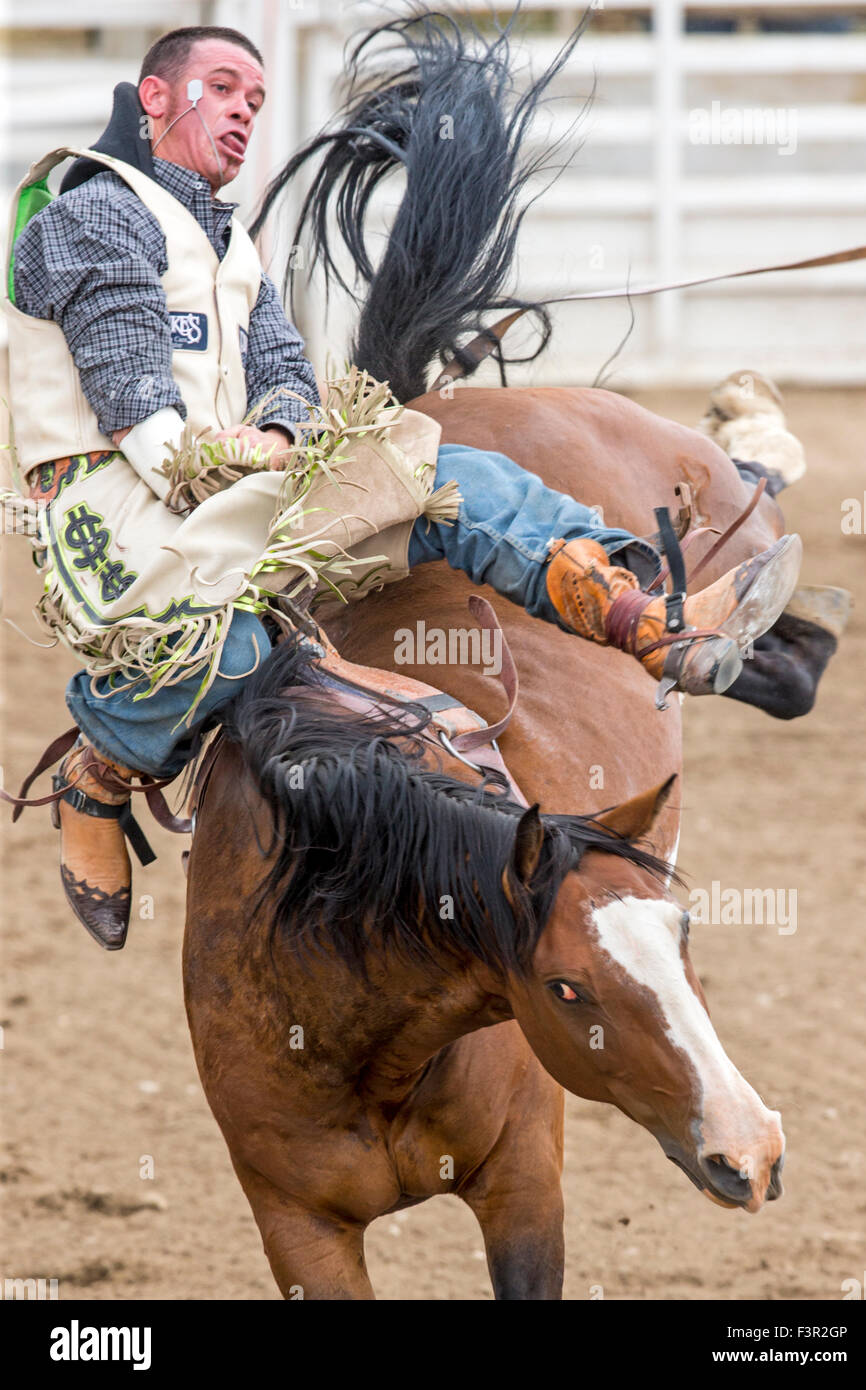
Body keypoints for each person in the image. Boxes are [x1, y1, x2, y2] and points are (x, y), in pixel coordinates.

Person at [4, 25, 800, 951]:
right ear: (154, 97)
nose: (240, 114)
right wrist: (241, 456)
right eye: (221, 89)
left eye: (254, 102)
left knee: (444, 474)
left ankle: (650, 624)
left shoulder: (230, 244)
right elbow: (130, 397)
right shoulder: (90, 214)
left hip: (232, 488)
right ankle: (97, 770)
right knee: (236, 650)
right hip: (115, 508)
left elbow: (284, 374)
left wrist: (282, 432)